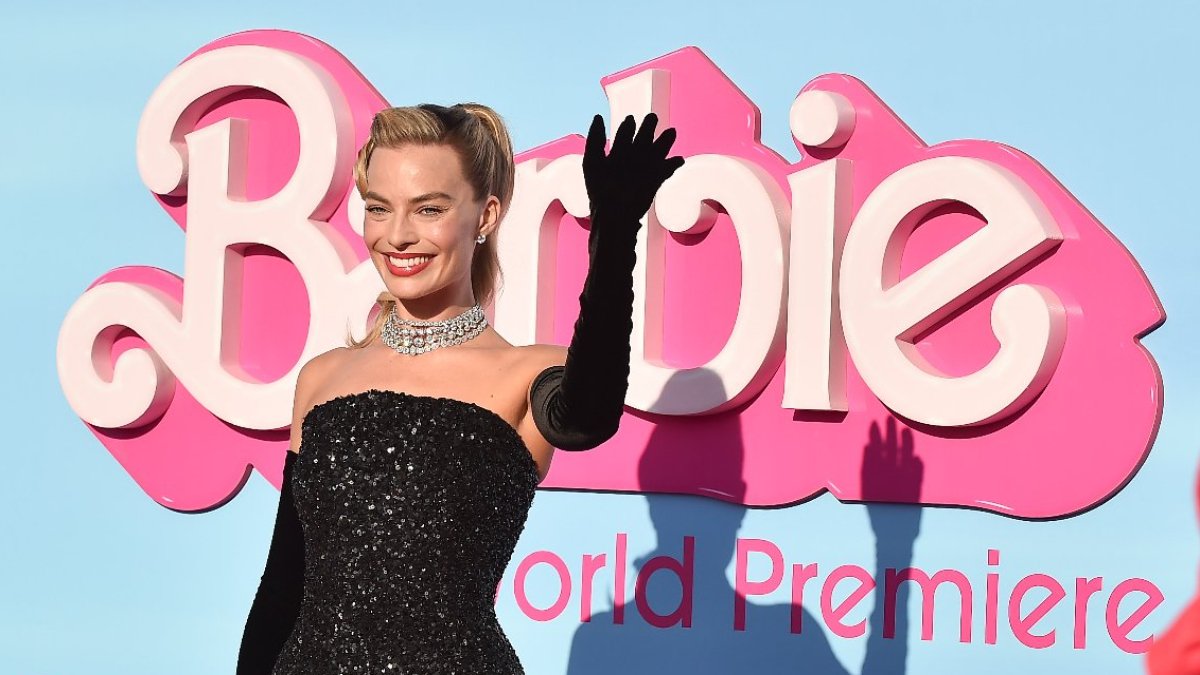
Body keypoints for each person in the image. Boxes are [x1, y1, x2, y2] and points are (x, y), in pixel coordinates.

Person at [235, 103, 684, 673]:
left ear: (486, 215)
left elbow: (588, 416)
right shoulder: (322, 380)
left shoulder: (524, 374)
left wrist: (615, 234)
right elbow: (282, 586)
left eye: (429, 209)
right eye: (379, 208)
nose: (398, 236)